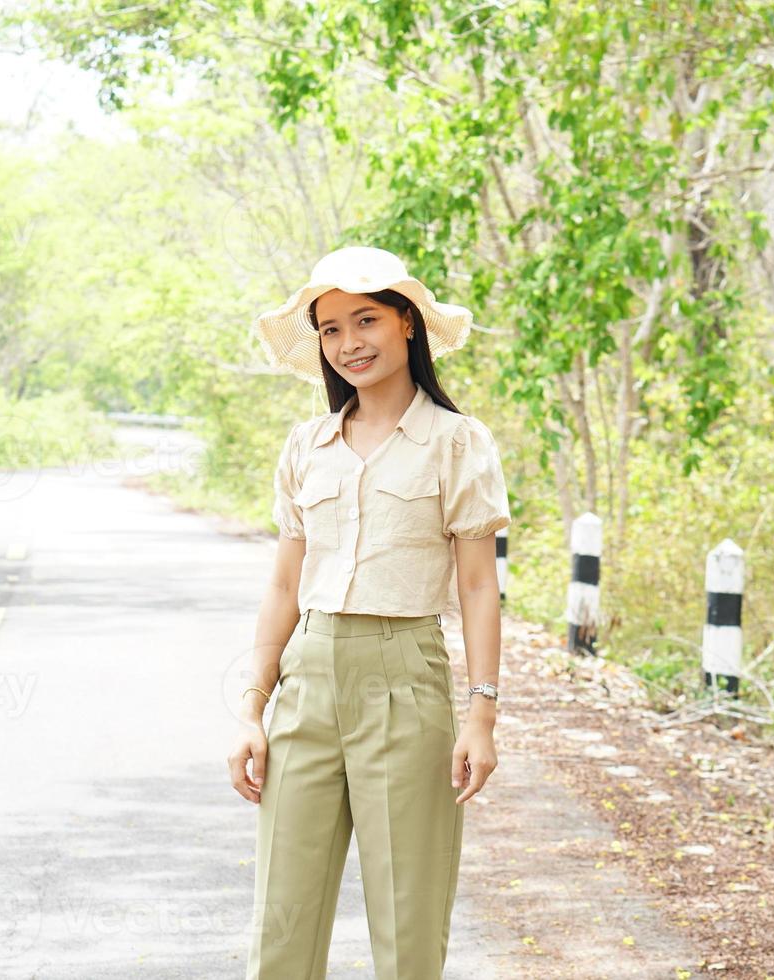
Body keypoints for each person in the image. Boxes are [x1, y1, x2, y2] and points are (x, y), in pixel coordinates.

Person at [227, 245, 512, 979]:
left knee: (408, 925)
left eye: (366, 320)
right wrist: (250, 711)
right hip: (308, 683)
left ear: (408, 324)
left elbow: (479, 588)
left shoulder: (458, 443)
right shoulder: (307, 447)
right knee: (280, 927)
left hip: (404, 680)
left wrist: (481, 714)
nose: (348, 342)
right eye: (329, 329)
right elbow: (284, 589)